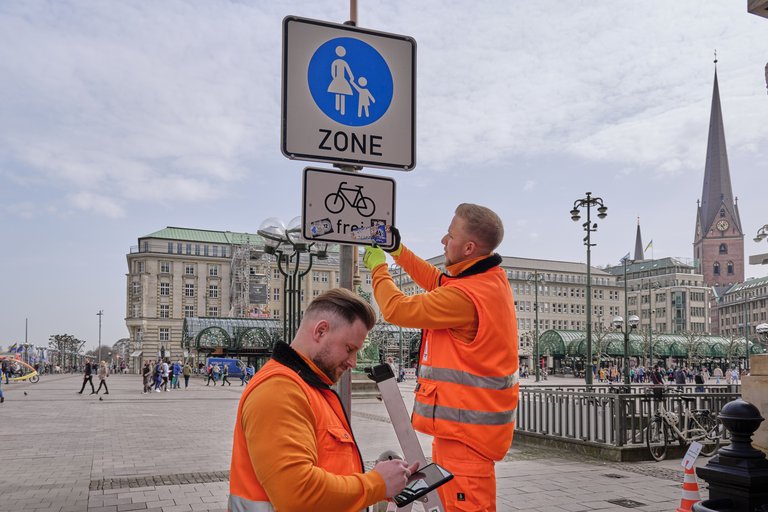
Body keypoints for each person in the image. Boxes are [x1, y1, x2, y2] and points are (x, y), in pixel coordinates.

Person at [363, 203, 519, 511]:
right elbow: (438, 281)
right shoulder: (486, 281)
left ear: (469, 247)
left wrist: (378, 268)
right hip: (466, 432)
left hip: (466, 437)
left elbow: (396, 309)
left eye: (450, 236)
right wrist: (398, 250)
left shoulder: (464, 297)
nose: (443, 241)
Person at [229, 288, 419, 511]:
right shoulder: (278, 391)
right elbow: (297, 494)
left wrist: (388, 483)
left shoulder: (308, 388)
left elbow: (328, 472)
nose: (353, 362)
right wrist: (377, 484)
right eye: (349, 349)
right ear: (320, 331)